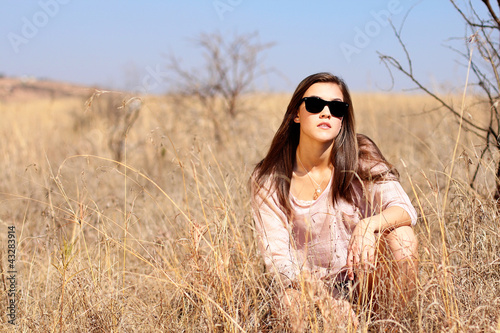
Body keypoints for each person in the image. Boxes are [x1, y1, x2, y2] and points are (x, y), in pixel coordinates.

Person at [250, 72, 418, 329]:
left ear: (343, 120)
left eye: (336, 108)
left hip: (365, 279)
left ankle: (391, 326)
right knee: (288, 303)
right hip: (308, 288)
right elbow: (277, 259)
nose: (326, 113)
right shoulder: (270, 178)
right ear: (296, 114)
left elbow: (404, 209)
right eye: (316, 105)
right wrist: (325, 301)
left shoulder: (360, 157)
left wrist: (367, 226)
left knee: (403, 237)